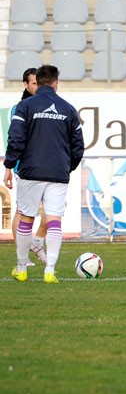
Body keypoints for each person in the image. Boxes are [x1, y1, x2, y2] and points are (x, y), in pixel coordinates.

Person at [4, 65, 85, 284]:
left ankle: (22, 269)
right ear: (56, 82)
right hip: (58, 172)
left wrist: (9, 164)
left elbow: (16, 138)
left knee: (26, 219)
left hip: (30, 171)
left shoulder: (25, 106)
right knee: (55, 220)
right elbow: (78, 146)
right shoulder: (68, 109)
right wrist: (67, 166)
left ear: (37, 82)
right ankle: (50, 269)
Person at [9, 68, 48, 266]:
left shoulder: (46, 105)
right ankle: (21, 252)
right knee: (22, 211)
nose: (37, 87)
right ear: (25, 85)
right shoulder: (21, 107)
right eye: (33, 83)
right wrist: (9, 167)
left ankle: (37, 242)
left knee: (50, 213)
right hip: (25, 167)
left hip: (45, 166)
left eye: (39, 83)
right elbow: (15, 138)